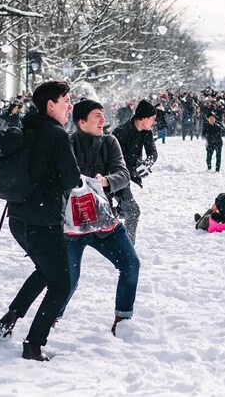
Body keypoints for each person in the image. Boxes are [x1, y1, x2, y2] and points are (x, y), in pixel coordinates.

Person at [0, 81, 81, 362]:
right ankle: (33, 345)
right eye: (66, 100)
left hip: (18, 218)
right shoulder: (56, 134)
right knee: (62, 283)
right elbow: (71, 179)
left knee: (45, 271)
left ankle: (10, 317)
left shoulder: (28, 127)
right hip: (43, 220)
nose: (70, 105)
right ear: (50, 104)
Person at [55, 99, 139, 336]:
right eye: (97, 116)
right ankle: (52, 317)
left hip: (104, 221)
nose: (103, 120)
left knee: (131, 264)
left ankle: (122, 320)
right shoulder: (67, 143)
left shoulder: (110, 142)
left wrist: (105, 181)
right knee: (69, 280)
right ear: (81, 122)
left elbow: (123, 174)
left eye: (103, 115)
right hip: (72, 226)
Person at [111, 99, 158, 244]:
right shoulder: (121, 132)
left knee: (126, 210)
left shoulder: (146, 132)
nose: (154, 122)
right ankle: (128, 246)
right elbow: (114, 162)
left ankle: (111, 212)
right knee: (133, 211)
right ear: (143, 118)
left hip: (128, 176)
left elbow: (153, 154)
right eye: (153, 119)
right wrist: (133, 170)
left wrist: (145, 164)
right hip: (114, 176)